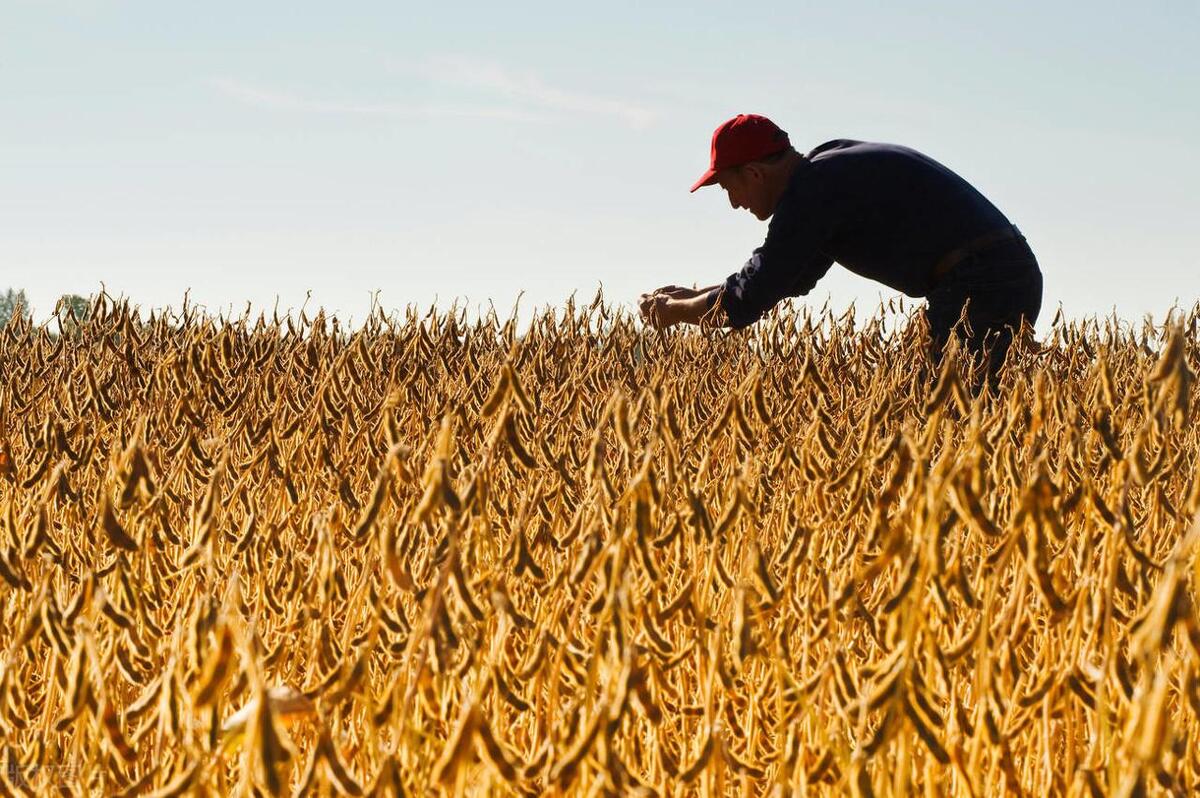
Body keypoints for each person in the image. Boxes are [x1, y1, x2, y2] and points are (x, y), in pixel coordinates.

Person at [638, 114, 1043, 375]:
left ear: (755, 174)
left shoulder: (813, 192)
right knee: (936, 405)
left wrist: (676, 312)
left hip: (984, 283)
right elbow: (788, 279)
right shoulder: (823, 173)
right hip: (997, 274)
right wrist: (698, 296)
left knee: (940, 416)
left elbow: (750, 298)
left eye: (730, 187)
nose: (734, 203)